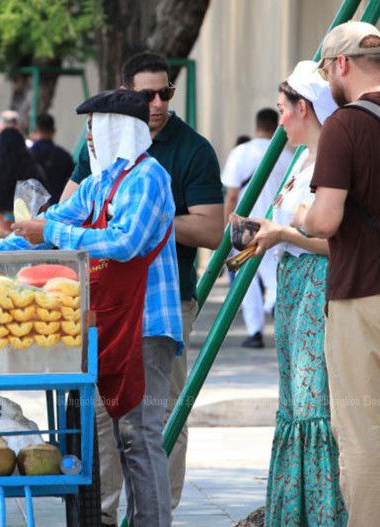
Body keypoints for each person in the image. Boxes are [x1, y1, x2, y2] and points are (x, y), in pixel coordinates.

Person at [0, 89, 178, 526]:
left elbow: (125, 242)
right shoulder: (97, 184)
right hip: (109, 324)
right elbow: (52, 223)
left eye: (96, 127)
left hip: (147, 324)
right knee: (114, 435)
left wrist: (53, 230)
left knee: (140, 435)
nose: (89, 137)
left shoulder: (148, 177)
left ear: (120, 128)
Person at [63, 51, 224, 522]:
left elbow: (210, 230)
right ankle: (104, 514)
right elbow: (67, 208)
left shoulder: (183, 154)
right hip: (105, 306)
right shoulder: (103, 157)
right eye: (146, 95)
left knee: (152, 420)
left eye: (165, 93)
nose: (157, 103)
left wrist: (145, 224)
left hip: (160, 306)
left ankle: (152, 515)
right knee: (102, 418)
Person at [300, 21, 380, 525]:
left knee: (361, 438)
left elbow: (327, 218)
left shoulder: (345, 125)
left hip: (364, 294)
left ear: (341, 65)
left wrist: (300, 216)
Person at [242, 61, 344, 525]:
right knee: (295, 402)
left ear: (304, 108)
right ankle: (296, 511)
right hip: (293, 286)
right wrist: (269, 232)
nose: (278, 119)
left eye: (284, 110)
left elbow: (333, 240)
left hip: (316, 285)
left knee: (311, 403)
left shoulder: (330, 160)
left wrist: (284, 235)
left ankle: (322, 513)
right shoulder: (303, 159)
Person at [221, 108, 293, 349]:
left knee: (246, 280)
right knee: (274, 273)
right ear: (276, 127)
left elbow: (231, 195)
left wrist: (226, 227)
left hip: (246, 225)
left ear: (256, 126)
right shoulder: (287, 155)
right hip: (276, 224)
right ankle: (274, 305)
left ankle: (255, 332)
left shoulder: (241, 153)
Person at [29, 113, 75, 204]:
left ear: (36, 130)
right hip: (57, 206)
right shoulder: (64, 155)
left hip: (32, 206)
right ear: (54, 131)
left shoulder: (27, 154)